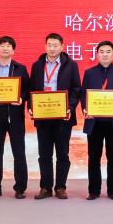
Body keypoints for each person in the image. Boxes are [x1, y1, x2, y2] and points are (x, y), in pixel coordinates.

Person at [28, 33, 81, 199]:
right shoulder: (37, 65)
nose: (52, 48)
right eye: (49, 45)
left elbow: (76, 89)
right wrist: (31, 107)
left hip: (63, 117)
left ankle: (60, 187)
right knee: (44, 154)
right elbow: (31, 89)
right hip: (43, 116)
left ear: (62, 47)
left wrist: (70, 108)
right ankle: (45, 187)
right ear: (45, 46)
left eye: (55, 45)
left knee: (62, 154)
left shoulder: (71, 65)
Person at [0, 36, 30, 199]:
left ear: (13, 50)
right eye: (2, 46)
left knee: (19, 152)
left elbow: (27, 89)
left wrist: (21, 98)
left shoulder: (20, 68)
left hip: (14, 115)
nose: (5, 48)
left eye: (9, 46)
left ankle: (20, 188)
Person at [82, 41, 113, 200]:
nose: (105, 54)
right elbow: (83, 94)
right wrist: (85, 108)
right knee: (93, 158)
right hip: (94, 122)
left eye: (108, 51)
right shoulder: (89, 73)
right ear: (97, 54)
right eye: (101, 51)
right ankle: (93, 191)